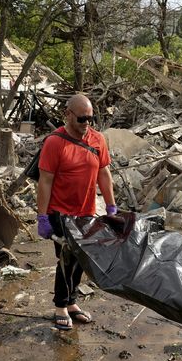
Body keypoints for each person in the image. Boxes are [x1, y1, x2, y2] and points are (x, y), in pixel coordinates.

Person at [36, 94, 117, 331]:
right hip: (60, 211)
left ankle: (72, 302)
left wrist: (111, 205)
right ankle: (60, 306)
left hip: (86, 211)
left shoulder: (97, 140)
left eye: (90, 118)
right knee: (67, 258)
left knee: (81, 258)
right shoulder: (55, 142)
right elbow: (45, 181)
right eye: (82, 118)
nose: (86, 123)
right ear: (68, 114)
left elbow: (104, 173)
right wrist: (42, 216)